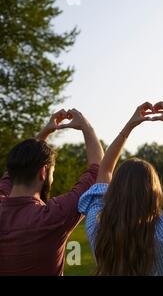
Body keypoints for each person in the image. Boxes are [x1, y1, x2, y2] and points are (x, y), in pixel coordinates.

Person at [78, 102, 163, 275]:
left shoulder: (96, 229)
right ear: (154, 194)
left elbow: (105, 169)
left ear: (114, 190)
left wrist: (130, 126)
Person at [0, 109, 103, 275]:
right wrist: (86, 126)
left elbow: (15, 169)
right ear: (43, 172)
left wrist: (46, 131)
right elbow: (97, 172)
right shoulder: (53, 217)